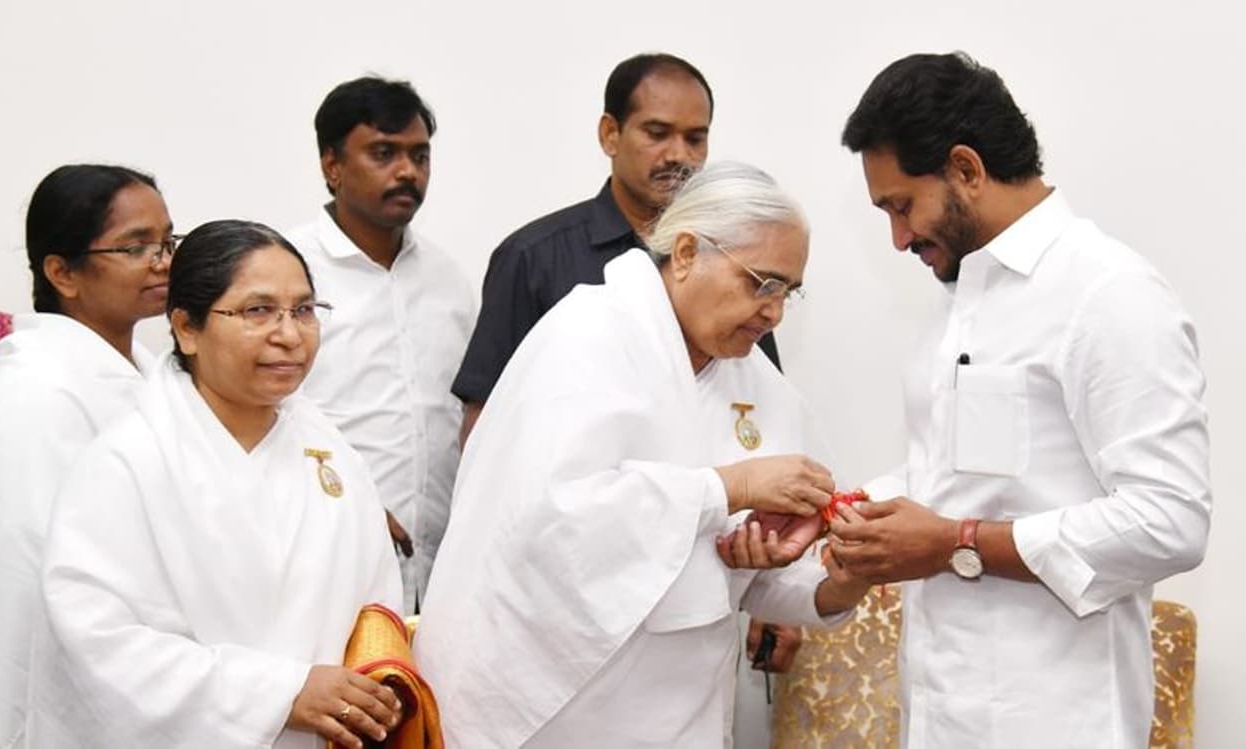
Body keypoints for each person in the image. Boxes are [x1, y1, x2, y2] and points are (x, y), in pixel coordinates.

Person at [830, 52, 1211, 748]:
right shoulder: (955, 305)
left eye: (901, 206)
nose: (897, 237)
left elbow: (1172, 519)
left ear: (967, 170)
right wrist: (846, 513)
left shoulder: (1108, 294)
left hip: (1056, 721)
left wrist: (954, 545)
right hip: (941, 715)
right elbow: (960, 480)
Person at [416, 162, 869, 748]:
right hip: (564, 698)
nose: (774, 312)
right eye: (762, 283)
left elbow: (755, 576)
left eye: (788, 291)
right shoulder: (587, 335)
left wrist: (839, 579)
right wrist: (728, 488)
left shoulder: (759, 384)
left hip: (682, 702)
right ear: (685, 254)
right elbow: (553, 516)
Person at [26, 220, 406, 748]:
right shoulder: (127, 463)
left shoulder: (332, 455)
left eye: (303, 310)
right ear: (186, 328)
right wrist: (278, 694)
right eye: (257, 311)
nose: (289, 335)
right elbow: (95, 644)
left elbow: (375, 609)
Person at [452, 51, 782, 448]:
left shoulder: (732, 256)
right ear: (610, 134)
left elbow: (764, 404)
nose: (679, 155)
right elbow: (485, 426)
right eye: (657, 133)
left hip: (720, 501)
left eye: (695, 138)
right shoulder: (533, 257)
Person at [0, 164, 172, 748]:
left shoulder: (148, 374)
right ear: (62, 271)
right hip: (68, 701)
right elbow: (26, 586)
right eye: (136, 247)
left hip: (144, 675)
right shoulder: (38, 395)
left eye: (166, 240)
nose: (163, 260)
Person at [289, 77, 474, 612]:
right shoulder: (286, 271)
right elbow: (263, 413)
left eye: (420, 156)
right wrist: (350, 504)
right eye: (383, 153)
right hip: (324, 559)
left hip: (440, 570)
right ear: (332, 166)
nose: (407, 172)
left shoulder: (447, 279)